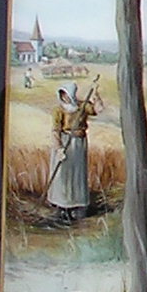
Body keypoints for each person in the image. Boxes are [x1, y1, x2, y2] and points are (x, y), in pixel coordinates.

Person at [47, 80, 97, 222]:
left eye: (66, 94)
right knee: (63, 175)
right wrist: (58, 149)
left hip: (78, 145)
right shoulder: (58, 110)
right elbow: (56, 130)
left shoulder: (82, 106)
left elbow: (96, 110)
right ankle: (61, 207)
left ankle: (77, 206)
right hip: (64, 143)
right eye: (62, 94)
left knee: (76, 174)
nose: (64, 97)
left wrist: (96, 93)